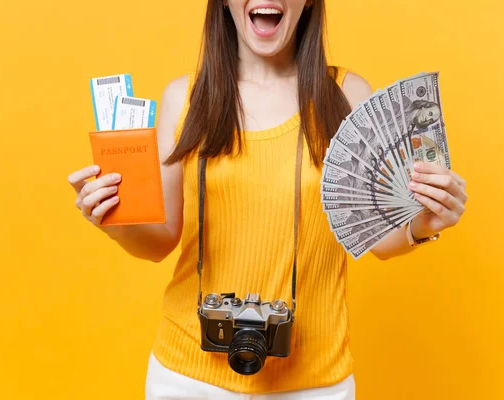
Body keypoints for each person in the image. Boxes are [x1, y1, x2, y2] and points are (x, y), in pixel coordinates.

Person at [67, 0, 468, 398]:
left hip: (314, 379)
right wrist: (114, 221)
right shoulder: (184, 97)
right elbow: (159, 242)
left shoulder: (343, 94)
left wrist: (422, 225)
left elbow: (377, 239)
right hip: (188, 375)